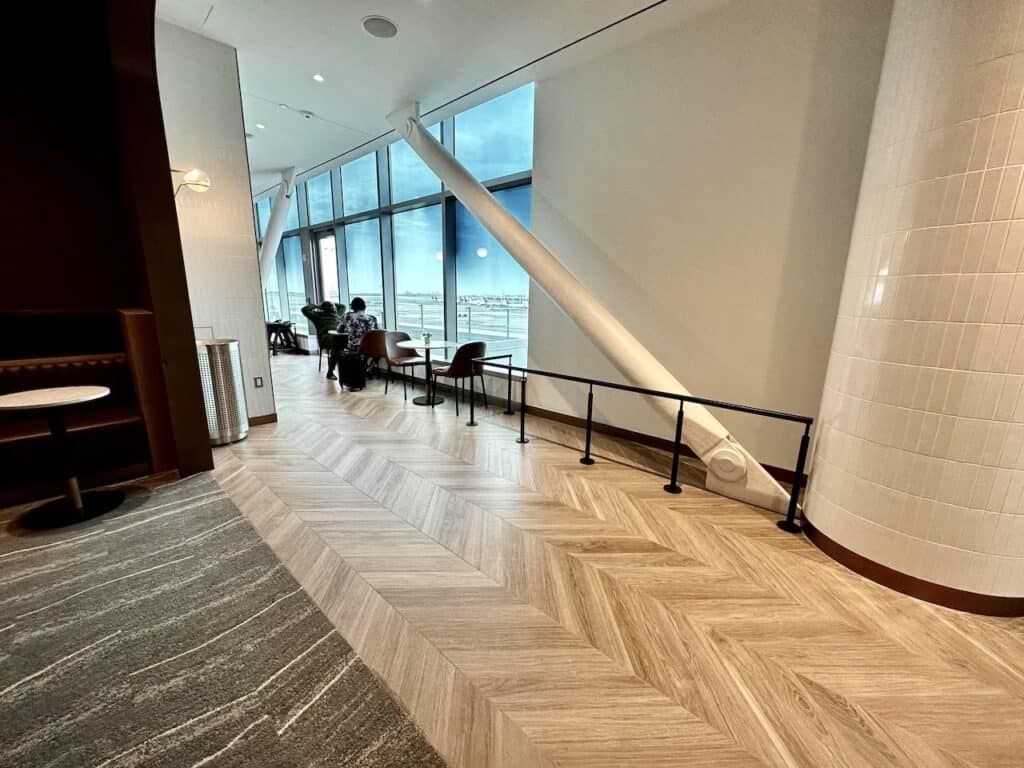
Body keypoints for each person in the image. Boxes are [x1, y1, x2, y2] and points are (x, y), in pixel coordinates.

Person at [301, 299, 344, 380]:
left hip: (338, 337)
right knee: (337, 347)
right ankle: (330, 372)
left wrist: (329, 304)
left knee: (346, 344)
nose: (334, 307)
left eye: (334, 306)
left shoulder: (337, 314)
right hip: (326, 338)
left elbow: (342, 306)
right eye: (332, 307)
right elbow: (304, 309)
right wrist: (318, 306)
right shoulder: (317, 316)